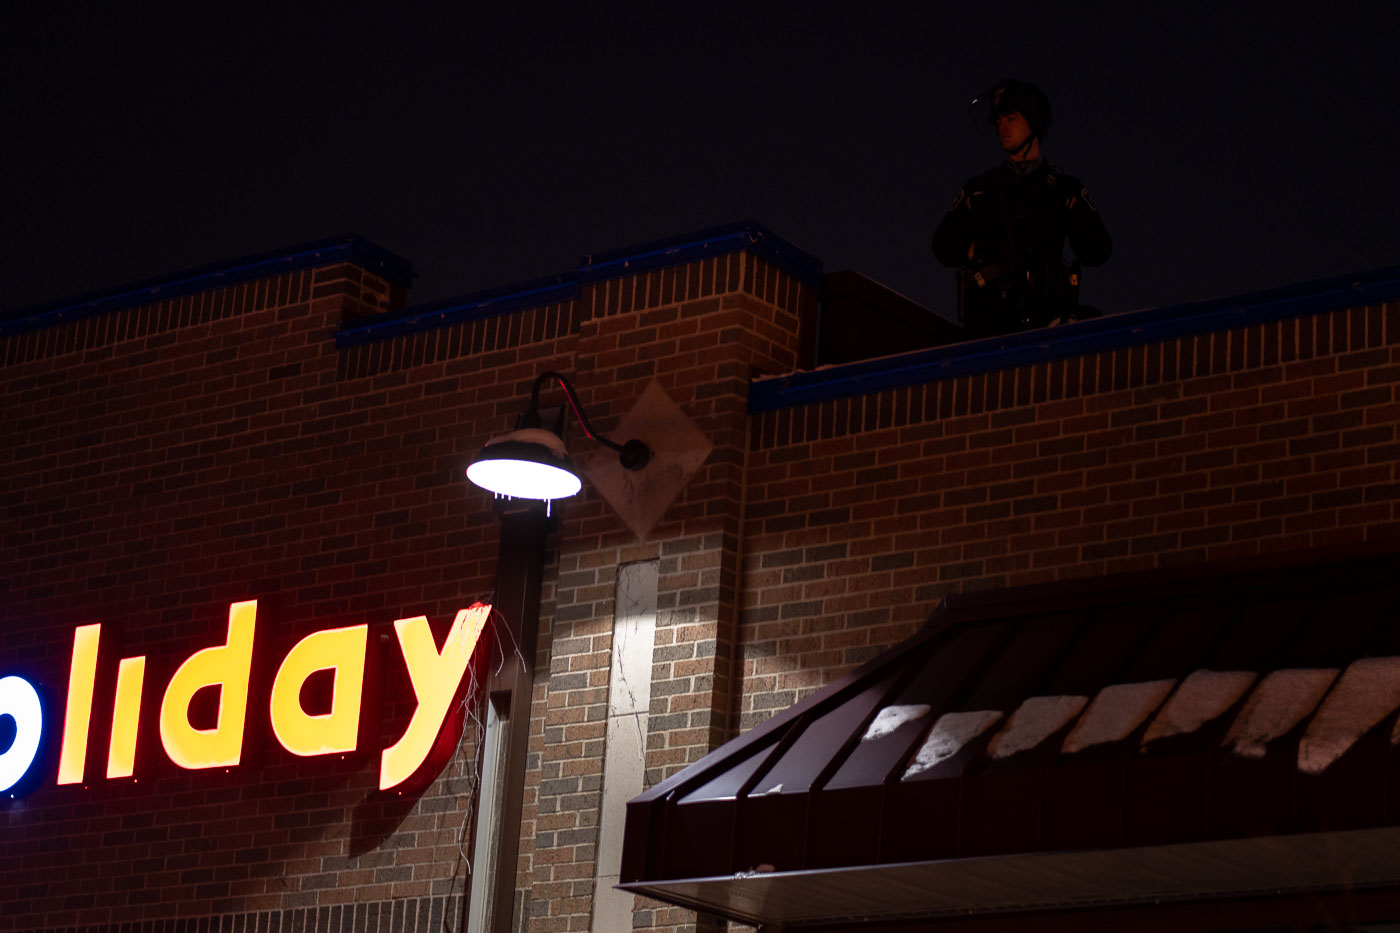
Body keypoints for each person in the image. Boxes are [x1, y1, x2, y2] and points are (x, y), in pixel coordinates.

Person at [932, 79, 1111, 339]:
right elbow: (943, 249)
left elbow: (1098, 252)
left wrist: (1076, 212)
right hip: (987, 329)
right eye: (999, 121)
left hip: (1046, 328)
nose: (1002, 127)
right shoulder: (980, 190)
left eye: (1011, 118)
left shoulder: (1063, 190)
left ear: (1034, 121)